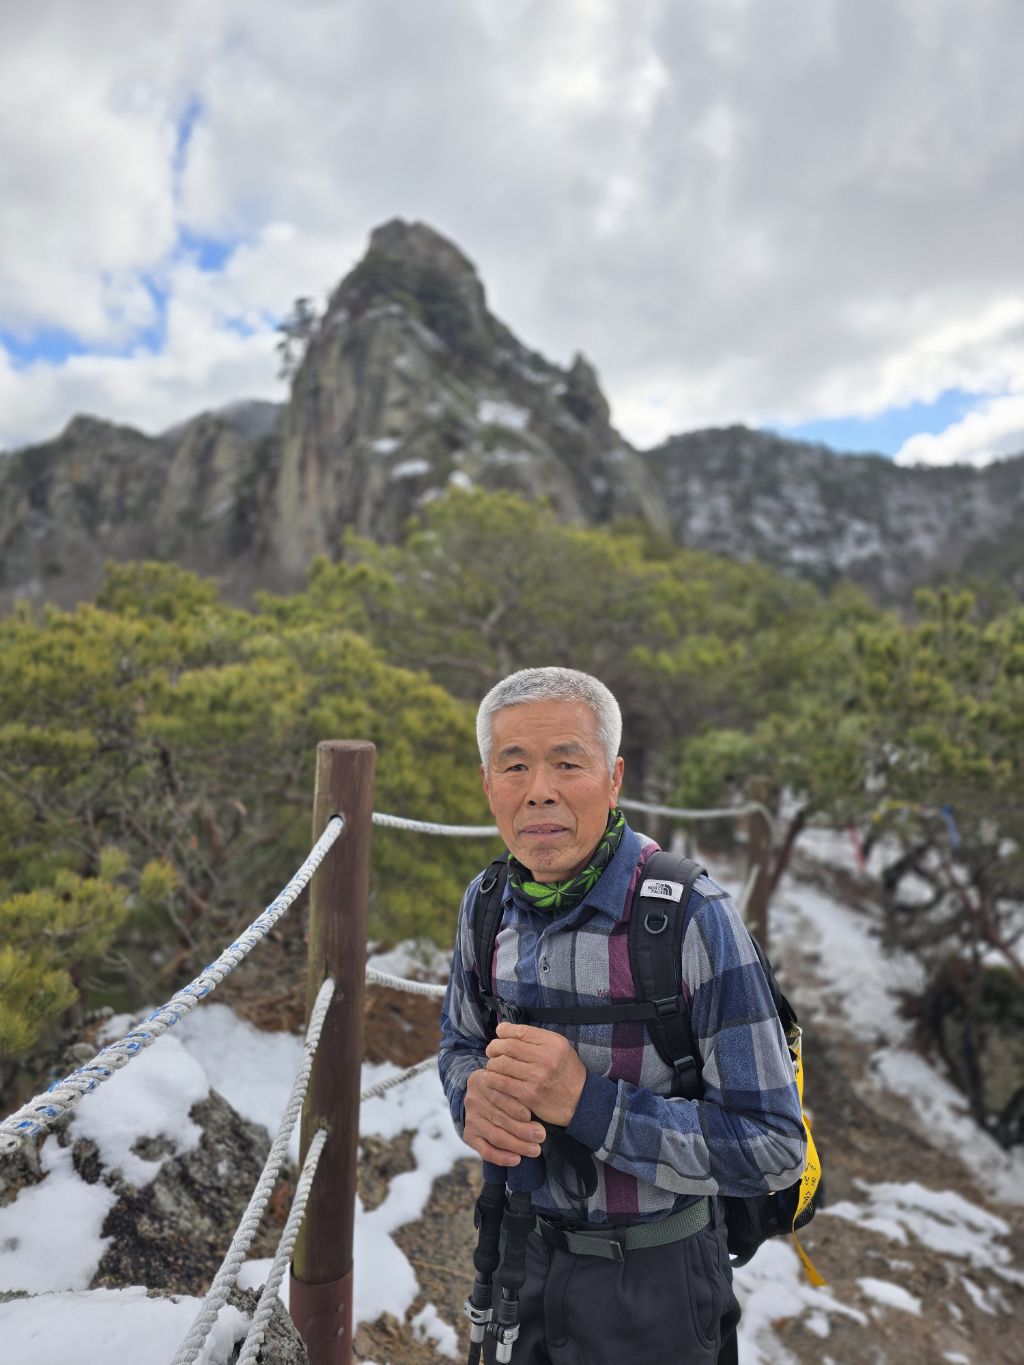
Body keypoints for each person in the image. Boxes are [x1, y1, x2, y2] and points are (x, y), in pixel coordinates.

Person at [439, 667, 807, 1364]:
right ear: (488, 784)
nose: (539, 789)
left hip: (657, 1283)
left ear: (613, 778)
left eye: (567, 762)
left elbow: (772, 1145)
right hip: (518, 1259)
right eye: (514, 765)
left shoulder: (691, 918)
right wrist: (471, 1096)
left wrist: (587, 1104)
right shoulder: (486, 903)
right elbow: (460, 1041)